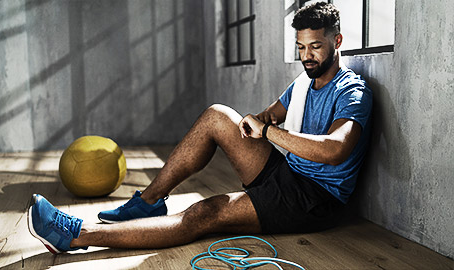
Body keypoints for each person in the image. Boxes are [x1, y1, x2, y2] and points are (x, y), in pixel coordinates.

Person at [28, 2, 372, 253]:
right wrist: (256, 123)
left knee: (204, 213)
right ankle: (148, 202)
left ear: (337, 42)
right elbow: (267, 117)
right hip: (287, 175)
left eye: (315, 46)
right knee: (217, 115)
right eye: (301, 47)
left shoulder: (352, 91)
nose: (307, 56)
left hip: (314, 199)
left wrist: (267, 132)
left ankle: (76, 235)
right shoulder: (303, 82)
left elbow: (334, 149)